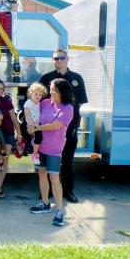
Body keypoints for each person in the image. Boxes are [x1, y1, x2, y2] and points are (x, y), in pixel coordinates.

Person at [39, 48, 88, 203]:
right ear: (52, 61)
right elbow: (40, 101)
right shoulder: (46, 78)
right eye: (56, 58)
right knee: (48, 161)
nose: (59, 60)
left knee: (67, 160)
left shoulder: (77, 78)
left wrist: (71, 124)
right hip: (49, 129)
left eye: (62, 57)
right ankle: (47, 192)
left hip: (69, 127)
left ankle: (68, 191)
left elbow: (79, 102)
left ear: (68, 59)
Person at [28, 78, 74, 227]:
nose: (51, 91)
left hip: (54, 148)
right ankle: (45, 203)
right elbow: (31, 109)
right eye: (51, 88)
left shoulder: (67, 108)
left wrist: (36, 128)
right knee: (42, 175)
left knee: (54, 179)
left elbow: (56, 125)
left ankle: (60, 210)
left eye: (54, 89)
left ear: (62, 91)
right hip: (39, 147)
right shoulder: (45, 103)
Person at [23, 83, 47, 165]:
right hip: (31, 125)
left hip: (37, 125)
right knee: (37, 137)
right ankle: (35, 154)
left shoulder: (38, 103)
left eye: (40, 94)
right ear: (30, 94)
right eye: (36, 94)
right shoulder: (28, 103)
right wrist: (31, 125)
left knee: (38, 138)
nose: (38, 96)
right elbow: (27, 115)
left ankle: (32, 148)